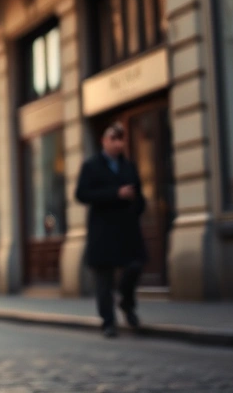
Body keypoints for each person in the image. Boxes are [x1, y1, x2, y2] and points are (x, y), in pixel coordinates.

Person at [75, 122, 148, 338]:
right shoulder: (91, 166)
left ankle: (127, 303)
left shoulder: (129, 166)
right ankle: (108, 322)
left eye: (121, 139)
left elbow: (140, 195)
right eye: (113, 139)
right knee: (104, 279)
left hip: (127, 228)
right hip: (103, 230)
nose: (117, 143)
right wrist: (115, 193)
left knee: (135, 265)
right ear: (104, 141)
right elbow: (81, 194)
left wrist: (137, 207)